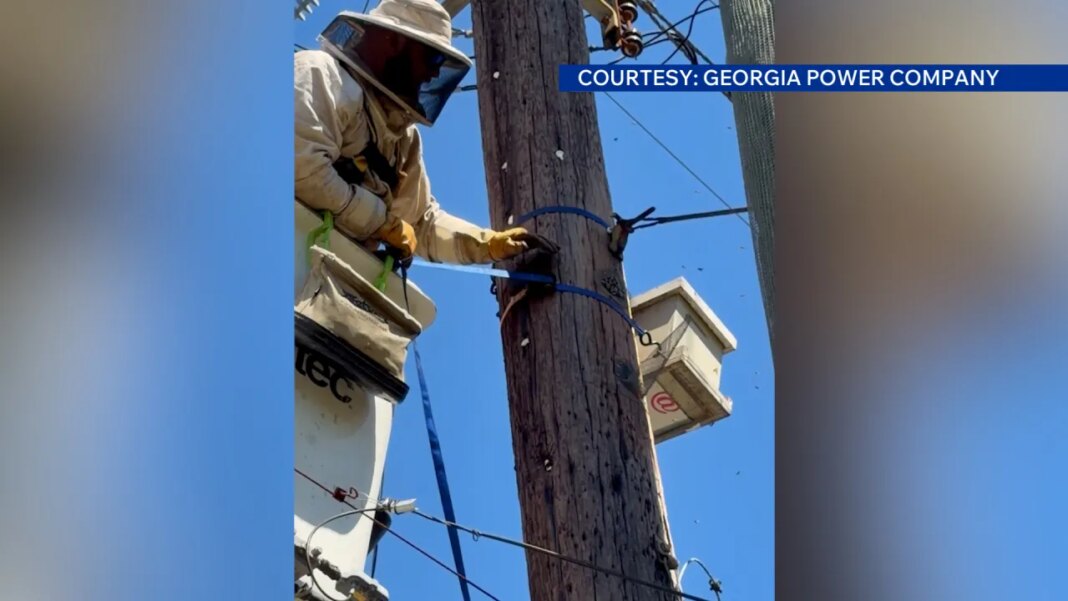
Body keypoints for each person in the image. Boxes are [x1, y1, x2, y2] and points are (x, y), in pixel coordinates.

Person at [295, 0, 531, 264]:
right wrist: (380, 222)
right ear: (394, 41)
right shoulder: (321, 73)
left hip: (330, 274)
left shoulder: (402, 140)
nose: (432, 73)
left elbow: (420, 224)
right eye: (433, 58)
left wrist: (486, 244)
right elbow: (302, 166)